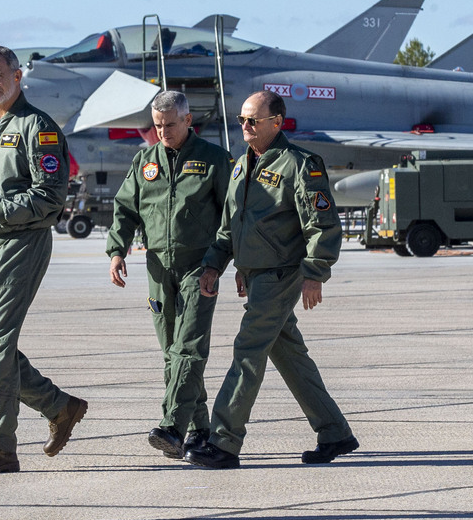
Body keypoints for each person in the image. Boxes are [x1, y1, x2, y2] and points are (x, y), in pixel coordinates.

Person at [187, 90, 358, 469]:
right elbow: (230, 227)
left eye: (253, 120)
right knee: (289, 355)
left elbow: (323, 225)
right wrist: (216, 265)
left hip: (282, 275)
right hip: (257, 275)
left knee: (247, 352)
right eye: (242, 120)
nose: (245, 126)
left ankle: (223, 442)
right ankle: (335, 432)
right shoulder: (240, 167)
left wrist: (315, 274)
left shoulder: (300, 165)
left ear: (276, 122)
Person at [0, 45, 87, 474]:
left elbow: (50, 194)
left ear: (18, 76)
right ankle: (59, 407)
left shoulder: (36, 127)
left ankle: (0, 446)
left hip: (22, 243)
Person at [106, 90, 233, 459]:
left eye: (169, 125)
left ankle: (172, 428)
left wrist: (224, 263)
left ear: (188, 121)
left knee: (189, 348)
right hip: (159, 268)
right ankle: (200, 429)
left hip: (201, 266)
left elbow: (233, 216)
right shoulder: (145, 161)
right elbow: (125, 209)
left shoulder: (213, 160)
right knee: (171, 352)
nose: (162, 132)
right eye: (157, 125)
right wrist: (117, 250)